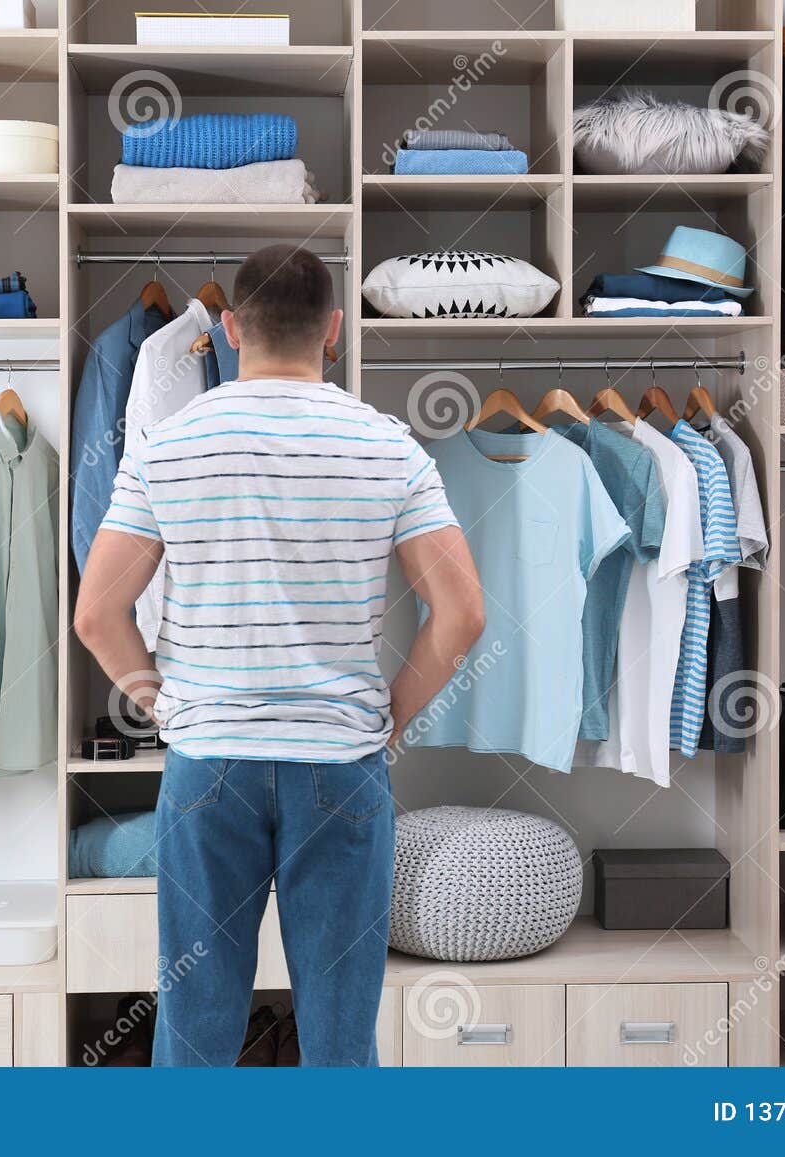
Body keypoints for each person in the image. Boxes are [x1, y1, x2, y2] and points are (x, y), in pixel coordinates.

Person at [74, 243, 484, 1066]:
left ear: (229, 326)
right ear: (332, 330)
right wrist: (388, 717)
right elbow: (464, 614)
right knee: (339, 1040)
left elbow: (97, 615)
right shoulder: (389, 446)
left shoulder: (168, 444)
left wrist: (167, 703)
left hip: (209, 764)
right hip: (340, 767)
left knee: (195, 1029)